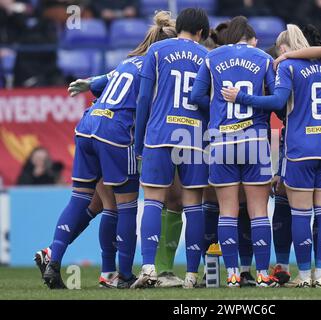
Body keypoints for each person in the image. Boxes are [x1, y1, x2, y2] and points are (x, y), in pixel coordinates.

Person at [222, 24, 321, 287]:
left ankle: (304, 276)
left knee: (301, 215)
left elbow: (278, 103)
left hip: (300, 149)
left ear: (284, 48)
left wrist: (242, 97)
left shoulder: (288, 67)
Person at [40, 12, 177, 289]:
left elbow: (102, 83)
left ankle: (54, 259)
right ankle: (122, 275)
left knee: (81, 199)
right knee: (125, 206)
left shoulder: (128, 62)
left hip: (87, 125)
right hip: (116, 133)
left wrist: (89, 82)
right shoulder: (159, 68)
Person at [192, 16, 278, 288]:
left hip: (222, 142)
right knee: (258, 211)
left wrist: (218, 110)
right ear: (251, 37)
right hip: (254, 140)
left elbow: (195, 97)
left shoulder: (212, 57)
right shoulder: (263, 59)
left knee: (227, 211)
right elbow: (277, 100)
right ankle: (262, 274)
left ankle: (230, 275)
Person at [132, 8, 210, 289]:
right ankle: (191, 275)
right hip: (194, 139)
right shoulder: (208, 57)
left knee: (153, 201)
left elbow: (143, 99)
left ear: (180, 27)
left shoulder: (157, 51)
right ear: (201, 32)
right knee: (194, 206)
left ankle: (150, 269)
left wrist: (139, 142)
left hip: (159, 134)